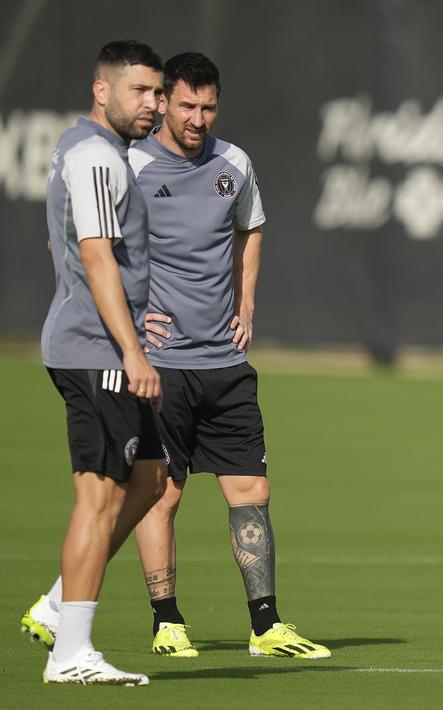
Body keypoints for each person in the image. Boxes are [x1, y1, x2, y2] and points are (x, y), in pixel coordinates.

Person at [22, 51, 329, 661]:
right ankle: (164, 621)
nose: (197, 117)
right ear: (162, 103)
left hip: (223, 361)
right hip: (154, 362)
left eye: (208, 106)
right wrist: (135, 326)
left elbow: (252, 228)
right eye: (184, 104)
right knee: (154, 492)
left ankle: (266, 626)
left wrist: (246, 303)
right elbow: (90, 248)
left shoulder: (233, 164)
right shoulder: (122, 161)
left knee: (249, 490)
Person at [22, 39, 167, 686]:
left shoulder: (89, 152)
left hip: (99, 339)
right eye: (140, 91)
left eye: (158, 92)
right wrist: (131, 348)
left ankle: (59, 604)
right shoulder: (96, 157)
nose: (154, 104)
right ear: (101, 90)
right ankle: (69, 651)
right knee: (100, 497)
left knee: (152, 478)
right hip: (96, 351)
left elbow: (80, 250)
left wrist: (137, 316)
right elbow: (95, 256)